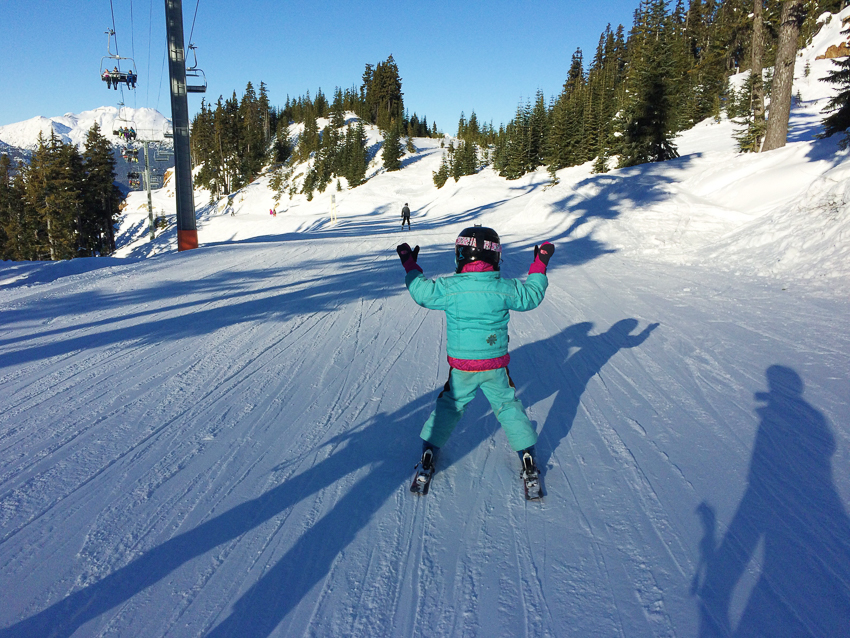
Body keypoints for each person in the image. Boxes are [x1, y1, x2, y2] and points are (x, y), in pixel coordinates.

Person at [397, 226, 555, 497]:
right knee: (507, 404)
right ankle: (527, 454)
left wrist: (409, 264)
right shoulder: (504, 288)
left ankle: (429, 452)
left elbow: (421, 293)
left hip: (463, 366)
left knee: (451, 404)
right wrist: (540, 263)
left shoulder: (449, 288)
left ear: (460, 256)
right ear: (495, 257)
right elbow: (531, 296)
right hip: (494, 365)